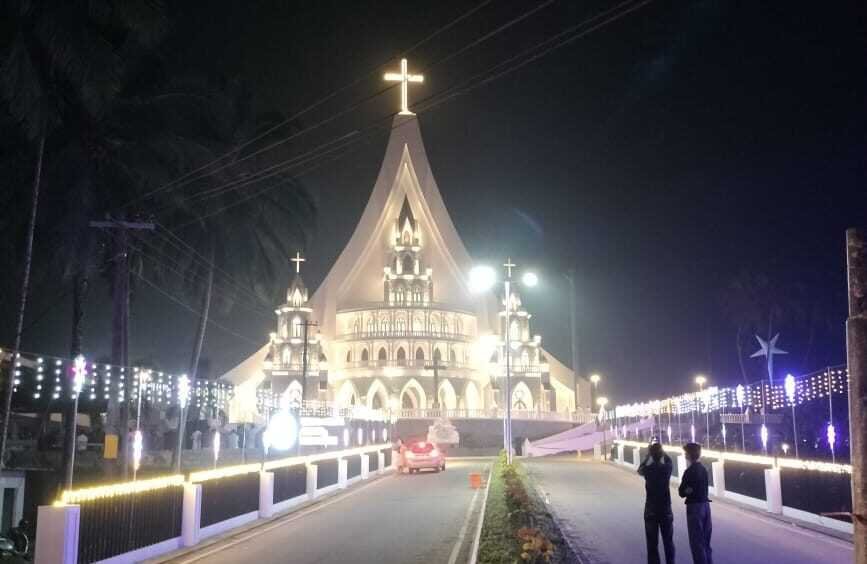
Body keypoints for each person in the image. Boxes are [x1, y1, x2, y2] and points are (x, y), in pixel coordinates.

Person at [638, 442, 675, 564]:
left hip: (651, 510)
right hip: (665, 509)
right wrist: (662, 452)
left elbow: (639, 469)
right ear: (661, 455)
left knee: (652, 545)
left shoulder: (648, 470)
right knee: (668, 542)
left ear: (652, 456)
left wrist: (648, 455)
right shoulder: (666, 469)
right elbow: (670, 462)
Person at [678, 442, 712, 564]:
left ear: (688, 455)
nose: (685, 455)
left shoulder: (689, 472)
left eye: (685, 452)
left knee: (696, 543)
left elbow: (681, 492)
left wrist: (688, 490)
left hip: (694, 508)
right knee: (706, 542)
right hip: (705, 506)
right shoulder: (703, 469)